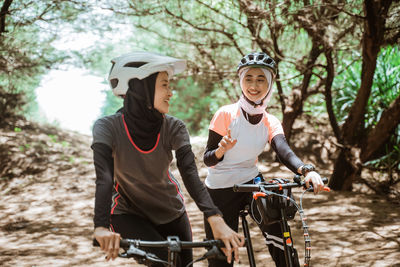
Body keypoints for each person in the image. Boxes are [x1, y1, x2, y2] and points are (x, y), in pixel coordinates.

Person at [92, 51, 244, 266]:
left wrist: (215, 218)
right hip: (127, 213)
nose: (171, 93)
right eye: (164, 85)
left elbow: (189, 172)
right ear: (139, 87)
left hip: (172, 213)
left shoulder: (174, 126)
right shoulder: (107, 127)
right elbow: (104, 178)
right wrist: (100, 227)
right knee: (162, 263)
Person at [203, 52, 325, 267]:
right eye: (248, 78)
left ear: (269, 83)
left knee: (280, 235)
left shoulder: (270, 121)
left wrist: (306, 171)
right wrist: (221, 150)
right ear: (241, 81)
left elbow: (284, 151)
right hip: (219, 188)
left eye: (261, 79)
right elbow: (208, 160)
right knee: (221, 256)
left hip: (251, 181)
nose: (254, 85)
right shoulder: (226, 114)